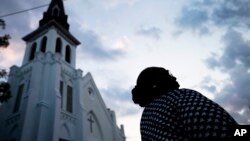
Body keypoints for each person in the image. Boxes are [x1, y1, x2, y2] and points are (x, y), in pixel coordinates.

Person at [131, 67, 238, 141]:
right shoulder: (180, 96)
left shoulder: (146, 117)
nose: (173, 77)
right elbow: (222, 129)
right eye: (167, 74)